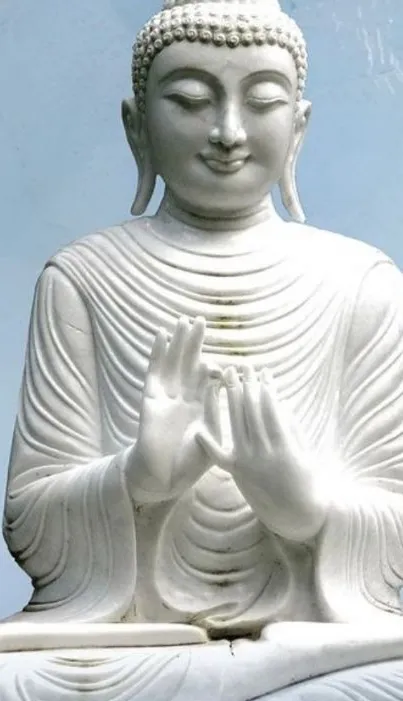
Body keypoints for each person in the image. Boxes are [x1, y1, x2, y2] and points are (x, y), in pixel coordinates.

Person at [4, 0, 403, 638]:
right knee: (25, 691)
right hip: (136, 642)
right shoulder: (81, 278)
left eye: (263, 101)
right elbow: (28, 517)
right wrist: (139, 475)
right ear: (137, 127)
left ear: (299, 128)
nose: (228, 132)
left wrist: (303, 505)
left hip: (311, 638)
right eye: (190, 100)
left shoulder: (363, 283)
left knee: (381, 689)